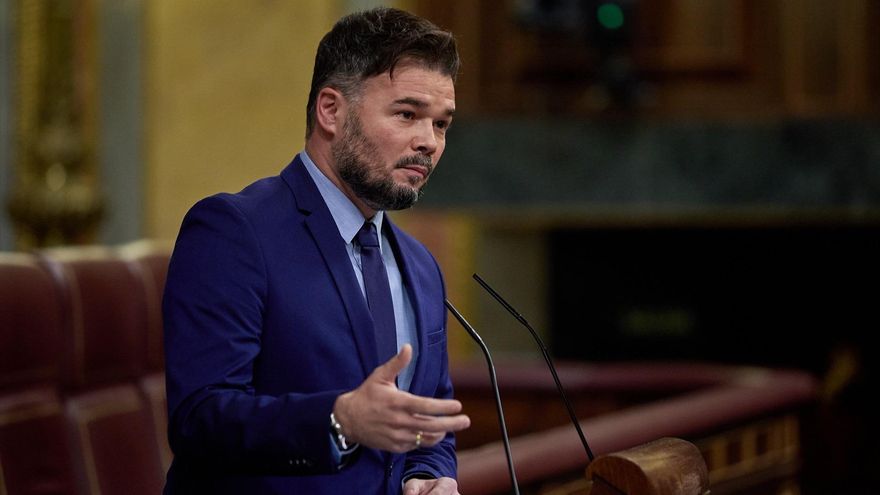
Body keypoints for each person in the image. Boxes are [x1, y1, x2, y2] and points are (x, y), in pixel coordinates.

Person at [161, 7, 470, 495]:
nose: (428, 142)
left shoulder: (421, 265)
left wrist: (430, 474)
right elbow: (200, 419)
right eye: (407, 114)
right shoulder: (233, 232)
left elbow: (428, 420)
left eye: (441, 124)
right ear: (331, 110)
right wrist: (339, 420)